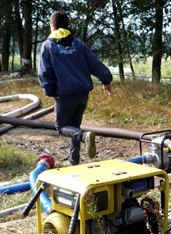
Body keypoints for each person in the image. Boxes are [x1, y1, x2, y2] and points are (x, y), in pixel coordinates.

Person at [38, 11, 113, 166]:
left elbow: (45, 71)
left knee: (62, 127)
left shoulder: (48, 45)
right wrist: (106, 80)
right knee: (74, 126)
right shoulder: (78, 43)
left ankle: (84, 137)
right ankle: (74, 160)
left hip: (65, 95)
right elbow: (95, 63)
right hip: (82, 93)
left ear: (53, 26)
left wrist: (50, 91)